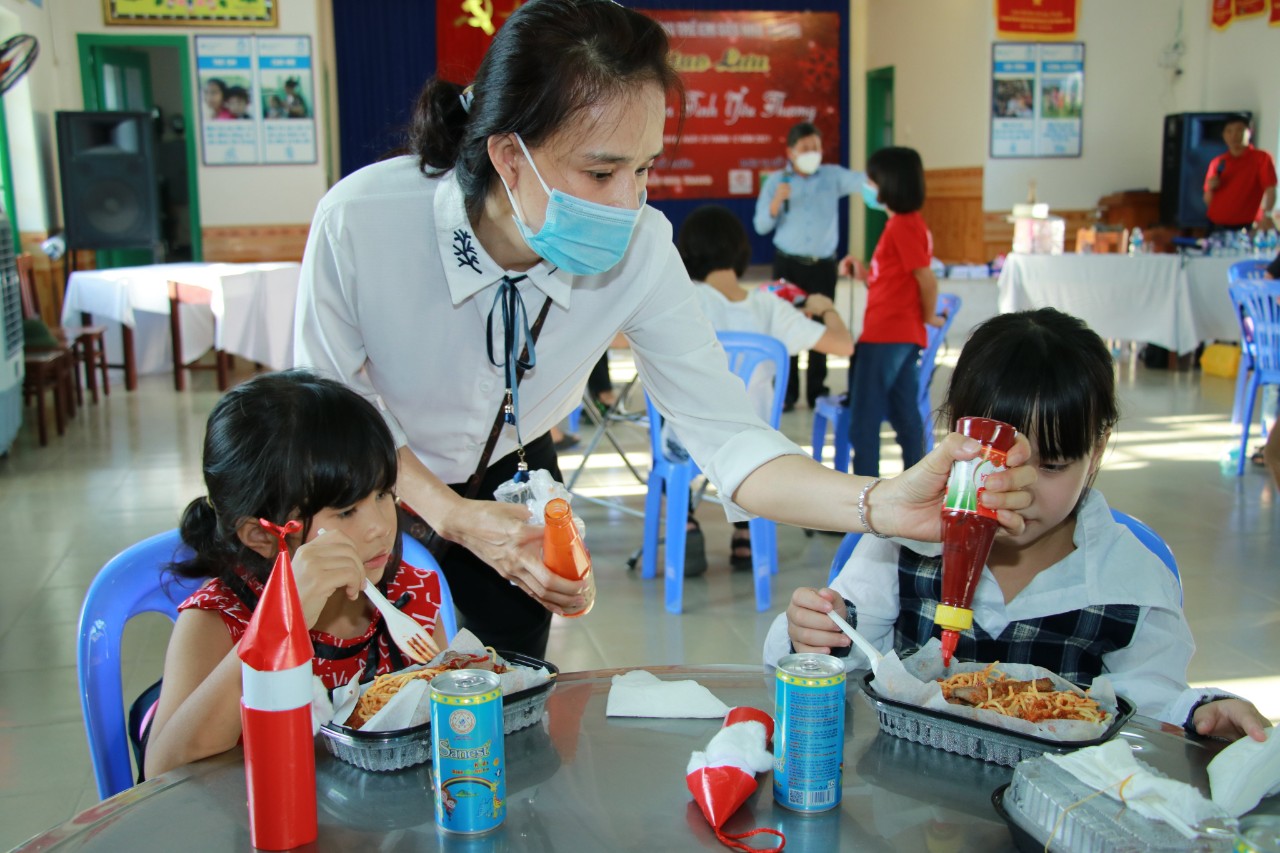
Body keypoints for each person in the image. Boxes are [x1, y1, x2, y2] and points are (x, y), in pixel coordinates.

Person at [293, 0, 1036, 660]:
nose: (628, 204)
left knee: (498, 709)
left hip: (510, 477)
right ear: (508, 154)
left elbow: (729, 434)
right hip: (364, 485)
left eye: (645, 169)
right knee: (358, 710)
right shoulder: (362, 222)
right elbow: (334, 408)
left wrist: (877, 501)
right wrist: (453, 517)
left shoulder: (642, 247)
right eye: (601, 172)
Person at [765, 309, 1270, 742]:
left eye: (1051, 467)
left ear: (1096, 451)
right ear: (954, 438)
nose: (1019, 489)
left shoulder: (1130, 582)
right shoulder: (901, 548)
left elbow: (1153, 699)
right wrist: (814, 633)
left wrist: (1201, 712)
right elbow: (848, 658)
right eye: (993, 460)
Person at [143, 371, 447, 778]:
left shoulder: (409, 597)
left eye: (382, 494)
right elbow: (162, 770)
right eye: (345, 511)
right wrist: (279, 624)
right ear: (260, 535)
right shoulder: (220, 620)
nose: (379, 526)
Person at [674, 203, 853, 572]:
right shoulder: (770, 307)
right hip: (753, 446)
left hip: (687, 444)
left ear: (687, 253)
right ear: (741, 252)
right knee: (745, 433)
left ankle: (685, 522)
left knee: (666, 432)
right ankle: (744, 535)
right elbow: (844, 344)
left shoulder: (683, 300)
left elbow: (619, 339)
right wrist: (824, 308)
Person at [845, 146, 945, 478]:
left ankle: (862, 497)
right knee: (905, 415)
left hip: (887, 336)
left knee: (864, 420)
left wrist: (929, 315)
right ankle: (919, 484)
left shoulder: (903, 226)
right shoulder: (903, 225)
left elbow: (925, 279)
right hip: (898, 335)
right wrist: (863, 273)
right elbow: (893, 281)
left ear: (889, 183)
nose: (867, 185)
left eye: (871, 179)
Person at [753, 122, 865, 410]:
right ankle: (787, 393)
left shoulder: (832, 177)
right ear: (790, 152)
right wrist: (776, 201)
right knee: (785, 324)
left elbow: (863, 182)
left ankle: (817, 390)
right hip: (788, 265)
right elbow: (761, 225)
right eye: (805, 149)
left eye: (816, 147)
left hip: (823, 265)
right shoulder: (777, 181)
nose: (812, 153)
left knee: (822, 322)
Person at [1203, 114, 1276, 233]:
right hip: (1216, 226)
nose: (1234, 136)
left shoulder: (1261, 159)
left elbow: (1270, 190)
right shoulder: (1218, 162)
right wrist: (1211, 188)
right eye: (1229, 131)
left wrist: (1267, 215)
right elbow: (1207, 200)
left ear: (1250, 132)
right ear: (1223, 135)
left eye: (1239, 130)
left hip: (1246, 227)